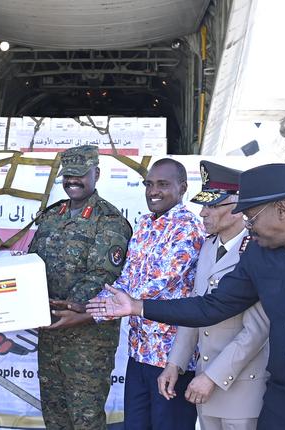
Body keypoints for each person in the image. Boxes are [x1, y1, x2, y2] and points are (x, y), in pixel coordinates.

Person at [88, 163, 285, 430]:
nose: (248, 226)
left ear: (282, 210)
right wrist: (137, 307)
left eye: (251, 217)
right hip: (281, 407)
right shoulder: (259, 255)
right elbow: (212, 307)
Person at [158, 161, 269, 430]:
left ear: (236, 208)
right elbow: (196, 310)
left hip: (241, 390)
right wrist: (175, 363)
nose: (203, 213)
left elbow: (257, 330)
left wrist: (212, 377)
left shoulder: (257, 250)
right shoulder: (208, 246)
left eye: (211, 206)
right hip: (204, 386)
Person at [27, 145, 132, 429]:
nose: (72, 181)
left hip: (88, 340)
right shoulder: (51, 216)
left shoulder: (109, 221)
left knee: (85, 418)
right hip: (50, 334)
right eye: (68, 175)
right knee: (55, 414)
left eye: (79, 175)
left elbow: (102, 276)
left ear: (96, 173)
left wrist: (67, 308)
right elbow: (33, 266)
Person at [97, 158, 205, 430]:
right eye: (149, 184)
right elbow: (128, 275)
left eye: (163, 184)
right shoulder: (144, 224)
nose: (153, 191)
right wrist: (97, 304)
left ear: (182, 187)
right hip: (139, 351)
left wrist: (112, 303)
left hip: (171, 358)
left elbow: (161, 280)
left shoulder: (188, 226)